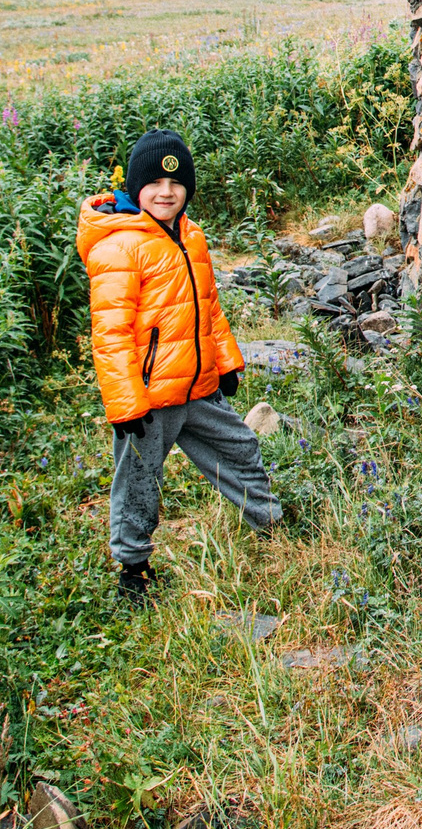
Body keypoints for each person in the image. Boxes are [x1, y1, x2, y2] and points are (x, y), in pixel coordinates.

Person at [79, 127, 281, 602]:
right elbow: (111, 335)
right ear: (135, 187)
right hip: (149, 400)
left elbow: (208, 307)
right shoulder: (118, 246)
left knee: (241, 448)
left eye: (176, 183)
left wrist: (226, 362)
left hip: (199, 386)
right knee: (138, 481)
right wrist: (125, 405)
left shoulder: (191, 236)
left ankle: (273, 524)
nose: (166, 192)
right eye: (154, 183)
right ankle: (133, 570)